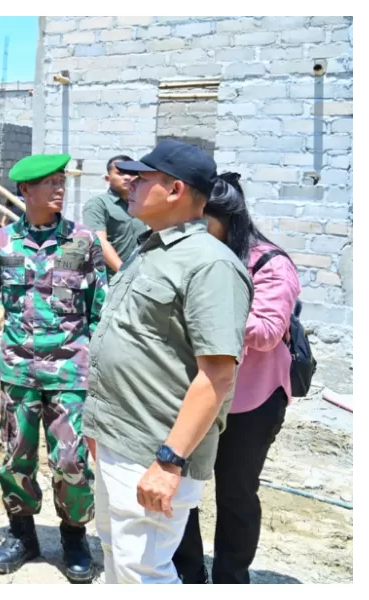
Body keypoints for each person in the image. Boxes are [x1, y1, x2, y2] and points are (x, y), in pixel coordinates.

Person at [85, 140, 253, 584]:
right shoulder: (150, 248)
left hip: (154, 450)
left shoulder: (210, 265)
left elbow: (217, 376)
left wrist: (169, 461)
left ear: (175, 189)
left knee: (145, 573)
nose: (131, 184)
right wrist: (97, 426)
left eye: (142, 177)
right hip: (118, 439)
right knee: (117, 556)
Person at [0, 153, 107, 583]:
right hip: (18, 372)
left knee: (72, 461)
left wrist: (102, 369)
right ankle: (23, 534)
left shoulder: (83, 242)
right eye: (49, 182)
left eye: (61, 181)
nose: (59, 188)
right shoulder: (1, 242)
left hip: (70, 373)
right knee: (16, 459)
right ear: (25, 191)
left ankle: (74, 536)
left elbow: (101, 309)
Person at [173, 172, 301, 585]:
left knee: (236, 493)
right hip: (200, 393)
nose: (189, 227)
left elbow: (266, 331)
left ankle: (231, 578)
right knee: (182, 488)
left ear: (225, 218)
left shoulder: (269, 262)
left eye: (199, 218)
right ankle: (187, 575)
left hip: (252, 401)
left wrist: (211, 307)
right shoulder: (192, 254)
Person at [82, 155, 146, 275]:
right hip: (111, 281)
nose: (127, 177)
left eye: (131, 173)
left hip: (141, 279)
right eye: (120, 173)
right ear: (108, 178)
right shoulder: (98, 204)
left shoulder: (143, 204)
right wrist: (124, 273)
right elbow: (99, 242)